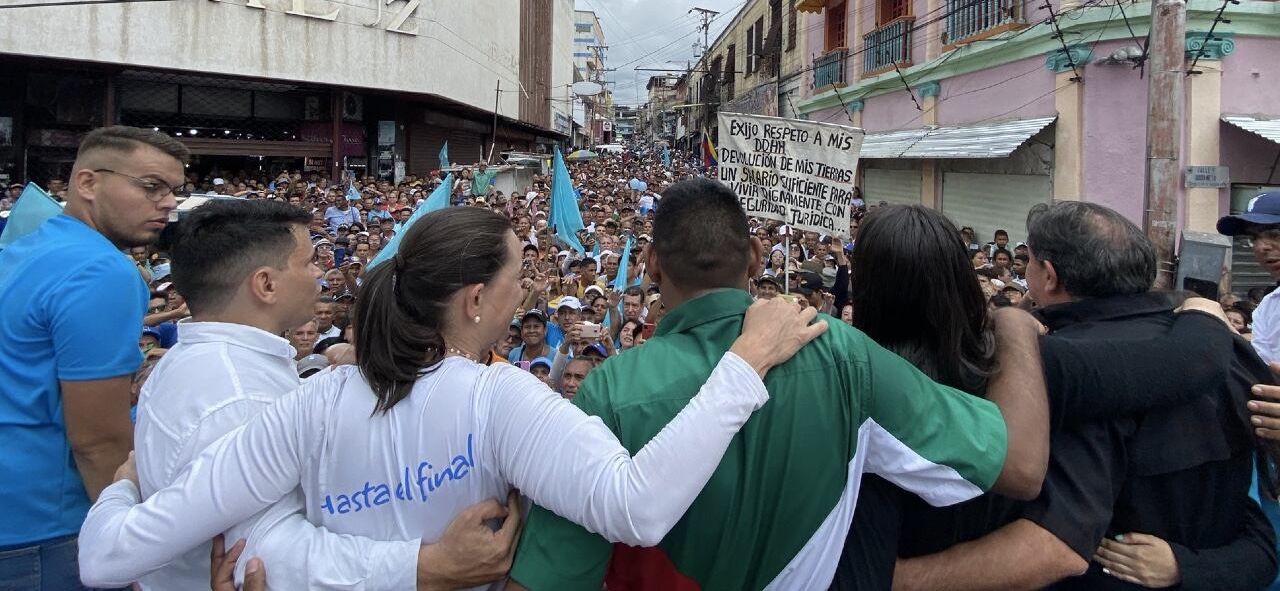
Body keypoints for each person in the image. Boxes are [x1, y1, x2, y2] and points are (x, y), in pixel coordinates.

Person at [78, 207, 825, 588]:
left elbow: (109, 559)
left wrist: (124, 489)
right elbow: (639, 506)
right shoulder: (498, 400)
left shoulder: (308, 402)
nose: (529, 290)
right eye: (516, 278)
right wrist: (744, 361)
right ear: (475, 301)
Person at [508, 178, 1051, 591]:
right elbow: (1021, 466)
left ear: (650, 264)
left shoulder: (608, 392)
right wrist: (1015, 327)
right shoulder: (837, 350)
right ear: (754, 257)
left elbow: (551, 577)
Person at [891, 201, 1277, 590]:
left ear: (1049, 276)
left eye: (1031, 262)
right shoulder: (1229, 349)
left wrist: (894, 580)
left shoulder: (1052, 373)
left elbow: (1056, 546)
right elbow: (1251, 505)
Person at [0, 126, 187, 589]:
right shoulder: (101, 271)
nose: (168, 203)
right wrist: (129, 552)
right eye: (151, 187)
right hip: (46, 529)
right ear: (87, 183)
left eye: (174, 191)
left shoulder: (22, 251)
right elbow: (98, 440)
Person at [1218, 192, 1280, 364]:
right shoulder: (1268, 307)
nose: (1261, 247)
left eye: (1274, 233)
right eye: (1253, 238)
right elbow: (1264, 371)